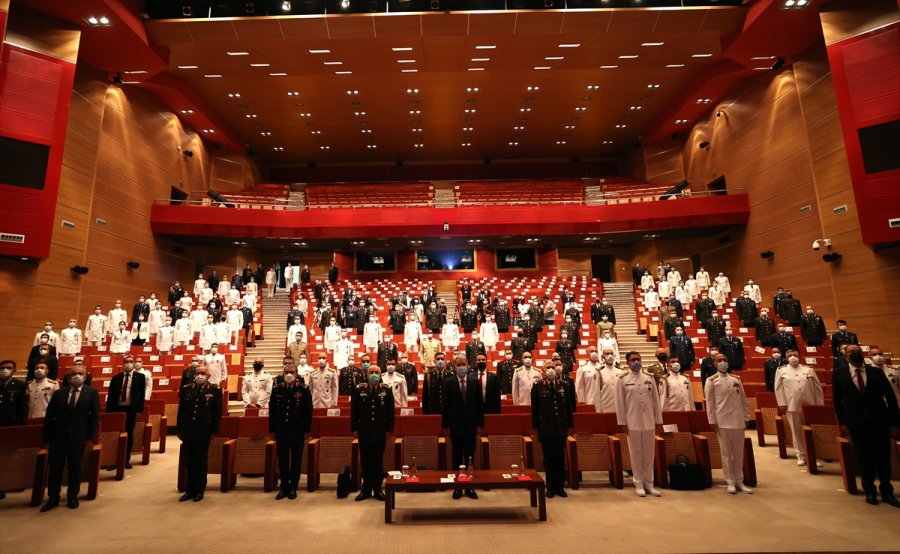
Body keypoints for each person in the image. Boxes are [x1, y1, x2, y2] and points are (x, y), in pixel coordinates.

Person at [833, 345, 900, 506]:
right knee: (864, 457)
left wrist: (895, 423)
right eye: (851, 351)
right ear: (845, 355)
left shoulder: (876, 372)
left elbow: (890, 398)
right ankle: (869, 490)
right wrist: (842, 423)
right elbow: (837, 402)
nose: (855, 353)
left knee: (883, 457)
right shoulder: (839, 374)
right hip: (855, 423)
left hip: (880, 421)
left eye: (857, 350)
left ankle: (887, 491)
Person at [41, 365, 99, 511]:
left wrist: (90, 436)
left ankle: (72, 496)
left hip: (78, 437)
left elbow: (94, 417)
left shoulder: (91, 393)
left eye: (80, 373)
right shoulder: (59, 393)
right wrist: (47, 438)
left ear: (85, 377)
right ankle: (53, 498)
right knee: (55, 469)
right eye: (74, 373)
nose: (77, 376)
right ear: (68, 377)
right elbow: (49, 417)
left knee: (75, 467)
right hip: (58, 437)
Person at [615, 351, 663, 497]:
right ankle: (638, 483)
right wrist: (622, 422)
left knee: (649, 453)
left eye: (638, 359)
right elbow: (620, 403)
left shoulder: (649, 378)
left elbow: (656, 400)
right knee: (636, 453)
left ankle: (649, 483)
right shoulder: (622, 379)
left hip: (648, 421)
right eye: (633, 360)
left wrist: (658, 421)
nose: (636, 362)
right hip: (632, 421)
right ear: (628, 362)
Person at [704, 353, 752, 494]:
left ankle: (739, 480)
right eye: (719, 360)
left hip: (737, 420)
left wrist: (746, 416)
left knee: (738, 452)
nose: (723, 362)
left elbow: (743, 399)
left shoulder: (735, 379)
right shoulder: (711, 381)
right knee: (726, 453)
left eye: (724, 360)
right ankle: (730, 481)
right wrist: (712, 420)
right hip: (722, 420)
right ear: (714, 364)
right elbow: (710, 402)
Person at [177, 363, 222, 502]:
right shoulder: (186, 389)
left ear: (208, 376)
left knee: (201, 461)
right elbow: (181, 411)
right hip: (188, 430)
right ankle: (189, 489)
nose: (200, 376)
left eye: (203, 373)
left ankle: (200, 490)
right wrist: (179, 429)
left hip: (204, 431)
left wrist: (213, 432)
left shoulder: (215, 390)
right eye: (197, 373)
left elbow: (217, 414)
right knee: (189, 461)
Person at [442, 355, 484, 500]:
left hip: (471, 426)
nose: (461, 366)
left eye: (463, 364)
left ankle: (470, 487)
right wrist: (446, 426)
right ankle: (458, 487)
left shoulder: (474, 382)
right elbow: (445, 407)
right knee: (457, 457)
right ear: (454, 366)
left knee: (470, 457)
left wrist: (479, 424)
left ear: (467, 365)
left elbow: (480, 406)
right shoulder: (449, 383)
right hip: (455, 426)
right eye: (458, 364)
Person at [269, 364, 312, 500]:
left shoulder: (303, 389)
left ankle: (293, 486)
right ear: (283, 373)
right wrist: (272, 430)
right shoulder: (277, 389)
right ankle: (283, 487)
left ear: (297, 374)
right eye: (286, 372)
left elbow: (308, 412)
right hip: (281, 430)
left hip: (297, 431)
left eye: (292, 372)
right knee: (282, 460)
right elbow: (272, 412)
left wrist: (307, 430)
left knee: (296, 460)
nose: (289, 374)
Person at [351, 364, 394, 501]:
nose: (374, 375)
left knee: (377, 461)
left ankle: (377, 488)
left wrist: (389, 430)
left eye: (376, 372)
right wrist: (354, 429)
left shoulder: (386, 390)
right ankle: (366, 489)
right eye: (371, 372)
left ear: (380, 375)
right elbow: (354, 412)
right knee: (365, 460)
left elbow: (391, 413)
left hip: (380, 432)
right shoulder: (359, 390)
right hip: (364, 431)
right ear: (367, 375)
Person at [775, 350, 825, 467]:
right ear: (786, 358)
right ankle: (801, 455)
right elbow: (778, 389)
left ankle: (814, 456)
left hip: (810, 405)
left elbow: (817, 388)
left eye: (795, 355)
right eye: (790, 356)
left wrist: (819, 404)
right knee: (796, 431)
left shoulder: (808, 369)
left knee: (812, 431)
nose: (793, 357)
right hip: (792, 405)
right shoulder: (781, 370)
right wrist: (782, 403)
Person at [532, 363, 574, 498]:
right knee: (548, 459)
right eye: (548, 367)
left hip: (561, 427)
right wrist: (536, 428)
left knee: (560, 457)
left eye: (552, 367)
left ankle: (560, 487)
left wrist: (569, 426)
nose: (551, 369)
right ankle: (550, 487)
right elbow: (534, 410)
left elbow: (569, 408)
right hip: (546, 428)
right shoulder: (537, 386)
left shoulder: (564, 385)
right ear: (544, 370)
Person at [106, 354, 146, 470]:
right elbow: (111, 396)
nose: (128, 363)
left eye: (131, 361)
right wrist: (109, 412)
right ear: (123, 364)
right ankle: (113, 460)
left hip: (130, 410)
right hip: (117, 409)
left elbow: (141, 395)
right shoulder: (116, 378)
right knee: (116, 435)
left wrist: (139, 410)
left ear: (133, 364)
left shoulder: (140, 377)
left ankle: (125, 459)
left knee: (129, 434)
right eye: (126, 361)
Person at [0, 360, 28, 426]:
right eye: (2, 368)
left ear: (14, 370)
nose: (5, 370)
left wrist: (22, 423)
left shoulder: (21, 385)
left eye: (9, 368)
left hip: (12, 422)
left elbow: (23, 406)